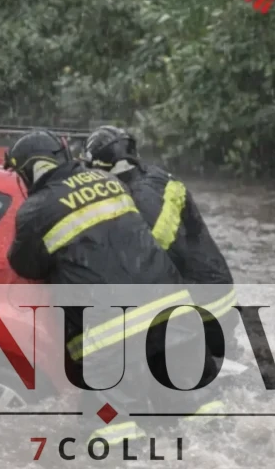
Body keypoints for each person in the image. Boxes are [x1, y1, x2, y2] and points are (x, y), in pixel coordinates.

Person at [4, 130, 222, 447]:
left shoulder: (36, 210)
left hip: (111, 334)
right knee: (197, 410)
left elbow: (25, 265)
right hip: (173, 313)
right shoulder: (110, 182)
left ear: (31, 169)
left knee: (112, 430)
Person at [81, 126, 239, 363]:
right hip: (216, 291)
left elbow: (150, 259)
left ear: (101, 166)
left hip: (204, 303)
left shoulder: (141, 197)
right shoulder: (154, 178)